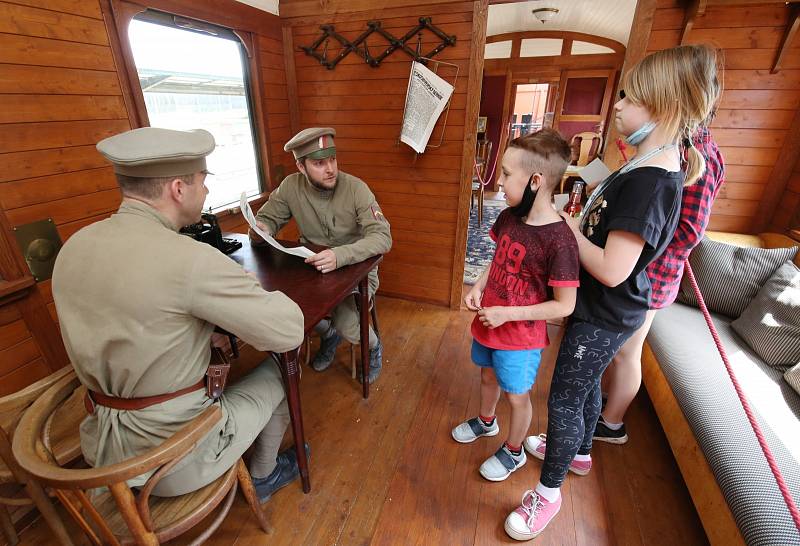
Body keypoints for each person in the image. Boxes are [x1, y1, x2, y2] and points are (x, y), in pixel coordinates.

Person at [503, 44, 720, 541]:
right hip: (601, 311)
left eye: (630, 97)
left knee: (562, 399)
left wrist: (564, 227)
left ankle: (548, 494)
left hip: (605, 310)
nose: (617, 105)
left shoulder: (651, 182)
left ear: (663, 106)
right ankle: (579, 452)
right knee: (580, 393)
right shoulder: (646, 165)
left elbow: (612, 269)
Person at [52, 127, 306, 502]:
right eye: (203, 181)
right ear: (178, 189)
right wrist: (241, 288)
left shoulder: (73, 247)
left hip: (103, 448)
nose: (206, 191)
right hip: (173, 459)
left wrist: (201, 331)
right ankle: (266, 475)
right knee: (283, 368)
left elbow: (140, 328)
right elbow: (289, 329)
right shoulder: (191, 259)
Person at [451, 129, 580, 482]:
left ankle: (514, 450)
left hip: (520, 339)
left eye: (507, 174)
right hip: (490, 324)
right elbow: (498, 257)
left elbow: (564, 305)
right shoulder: (509, 216)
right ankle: (486, 421)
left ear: (536, 180)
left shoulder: (560, 240)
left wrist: (508, 313)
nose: (499, 180)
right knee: (487, 375)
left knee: (517, 397)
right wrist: (479, 284)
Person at [595, 123, 725, 444]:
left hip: (653, 274)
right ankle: (605, 407)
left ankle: (612, 424)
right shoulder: (675, 147)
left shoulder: (698, 156)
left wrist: (638, 240)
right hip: (641, 269)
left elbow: (689, 231)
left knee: (627, 352)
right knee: (619, 351)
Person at [250, 127, 392, 383]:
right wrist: (263, 229)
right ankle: (329, 334)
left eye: (332, 159)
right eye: (319, 163)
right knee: (283, 305)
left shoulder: (356, 188)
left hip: (357, 270)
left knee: (347, 319)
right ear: (301, 167)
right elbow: (267, 218)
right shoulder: (290, 187)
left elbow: (382, 237)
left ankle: (373, 347)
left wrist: (340, 255)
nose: (330, 169)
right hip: (312, 268)